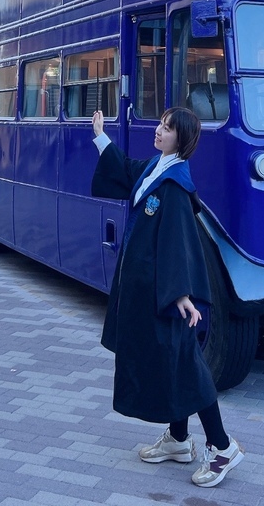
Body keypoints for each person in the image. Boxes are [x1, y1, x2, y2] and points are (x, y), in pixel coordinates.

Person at [91, 106, 243, 488]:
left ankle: (222, 447)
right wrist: (100, 135)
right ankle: (178, 439)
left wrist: (181, 295)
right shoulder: (156, 167)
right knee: (174, 362)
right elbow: (124, 170)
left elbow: (177, 244)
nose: (159, 130)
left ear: (183, 139)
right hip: (148, 292)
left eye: (168, 128)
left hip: (165, 294)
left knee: (186, 365)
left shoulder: (174, 185)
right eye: (160, 123)